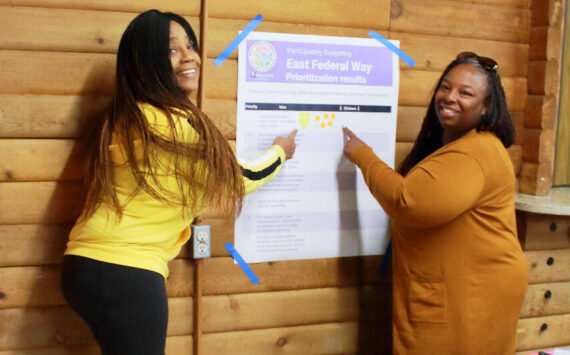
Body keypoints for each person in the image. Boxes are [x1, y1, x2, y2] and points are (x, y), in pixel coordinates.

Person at [60, 9, 296, 355]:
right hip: (129, 274)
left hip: (81, 264)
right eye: (172, 50)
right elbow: (238, 178)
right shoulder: (175, 125)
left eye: (190, 45)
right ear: (145, 62)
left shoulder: (128, 115)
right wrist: (280, 152)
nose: (189, 57)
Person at [342, 52, 528, 354]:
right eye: (445, 87)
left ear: (487, 107)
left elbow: (409, 202)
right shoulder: (463, 145)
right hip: (464, 284)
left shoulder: (473, 153)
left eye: (465, 93)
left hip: (472, 291)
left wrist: (362, 155)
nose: (450, 97)